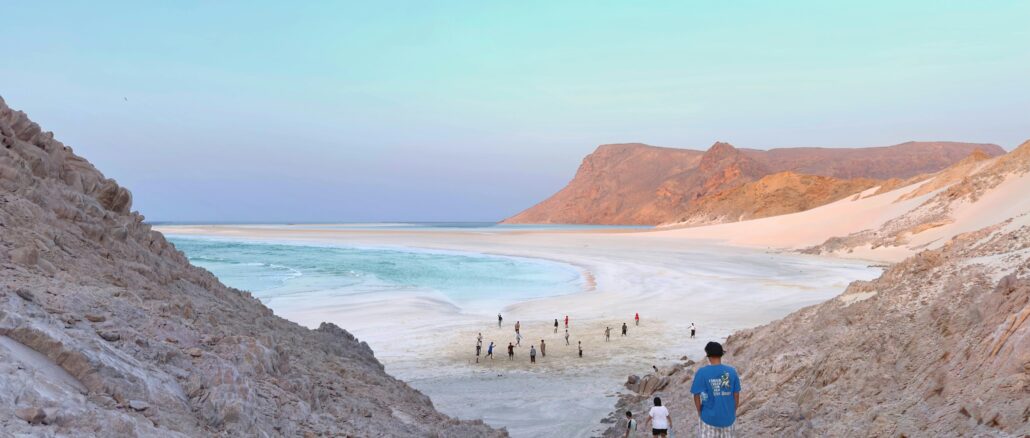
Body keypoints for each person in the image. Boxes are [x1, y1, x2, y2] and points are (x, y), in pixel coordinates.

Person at [691, 342, 741, 437]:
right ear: (721, 354)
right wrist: (732, 411)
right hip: (728, 418)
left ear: (708, 355)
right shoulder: (732, 371)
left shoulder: (702, 372)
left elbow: (696, 395)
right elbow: (736, 394)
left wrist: (699, 411)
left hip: (708, 419)